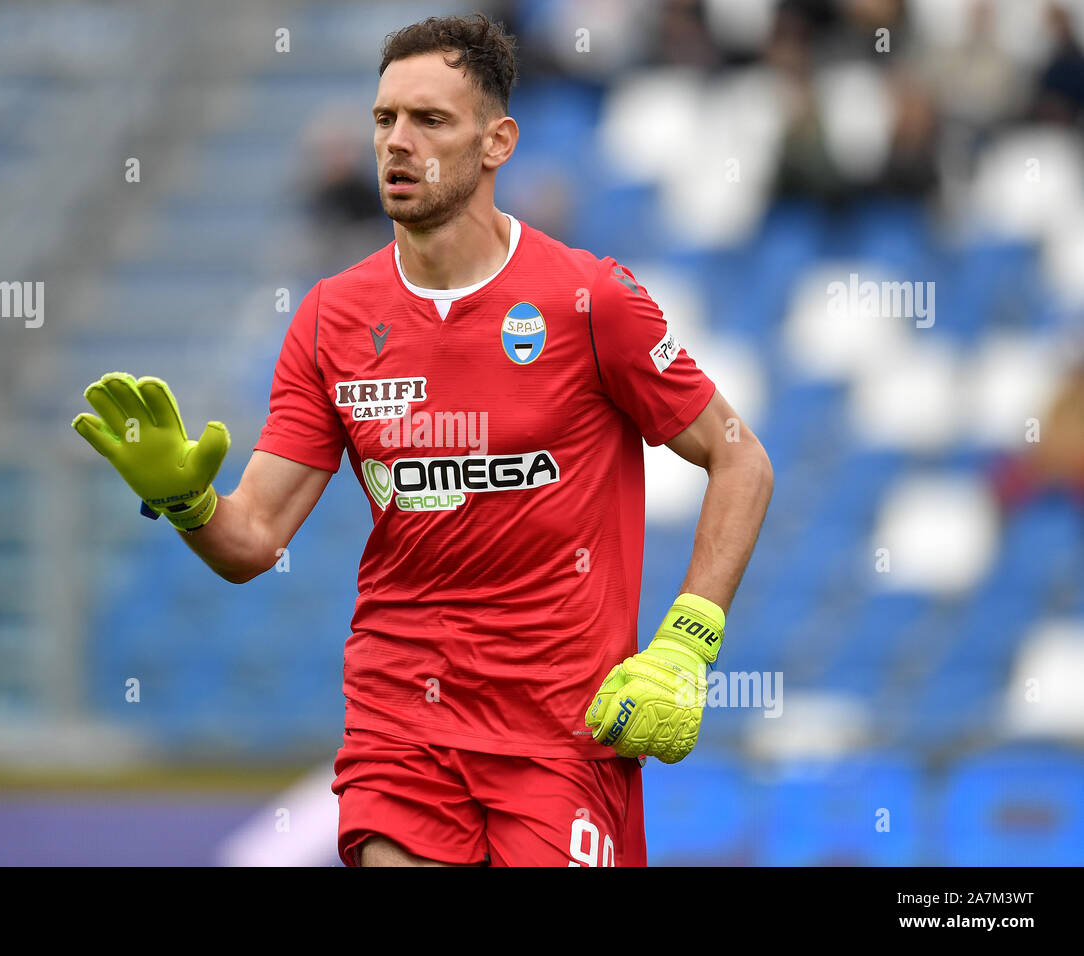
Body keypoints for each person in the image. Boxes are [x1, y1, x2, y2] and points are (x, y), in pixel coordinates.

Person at [72, 13, 773, 867]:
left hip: (561, 737)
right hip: (400, 724)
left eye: (430, 120)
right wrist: (188, 503)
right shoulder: (331, 319)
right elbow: (251, 539)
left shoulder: (590, 301)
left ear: (496, 142)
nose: (397, 143)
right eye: (385, 119)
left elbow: (739, 458)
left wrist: (686, 644)